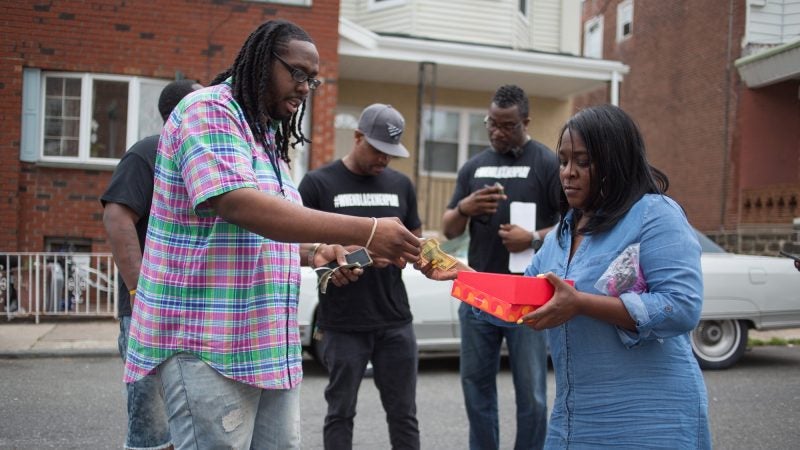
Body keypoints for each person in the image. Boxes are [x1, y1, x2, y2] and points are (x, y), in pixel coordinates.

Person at [122, 20, 421, 449]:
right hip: (208, 343)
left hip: (267, 346)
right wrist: (369, 230)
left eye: (312, 80)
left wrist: (317, 251)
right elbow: (237, 204)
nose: (304, 87)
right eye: (297, 72)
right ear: (262, 63)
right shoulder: (209, 110)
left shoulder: (267, 138)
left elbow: (264, 231)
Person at [423, 104, 711, 448]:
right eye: (563, 161)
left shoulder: (655, 215)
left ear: (615, 161)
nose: (568, 173)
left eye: (583, 162)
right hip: (576, 417)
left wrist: (580, 304)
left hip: (651, 417)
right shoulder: (565, 231)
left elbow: (680, 307)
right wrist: (464, 277)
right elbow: (523, 297)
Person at [440, 84, 560, 450]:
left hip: (529, 294)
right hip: (479, 291)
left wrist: (533, 238)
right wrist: (465, 208)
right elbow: (448, 228)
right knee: (476, 389)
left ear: (525, 121)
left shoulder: (546, 163)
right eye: (492, 123)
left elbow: (573, 225)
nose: (496, 132)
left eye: (507, 125)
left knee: (532, 394)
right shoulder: (473, 167)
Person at [298, 103, 422, 450]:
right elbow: (297, 247)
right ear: (357, 137)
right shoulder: (318, 183)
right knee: (340, 413)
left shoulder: (401, 185)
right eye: (379, 150)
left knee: (404, 414)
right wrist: (349, 254)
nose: (385, 160)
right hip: (341, 323)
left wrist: (400, 255)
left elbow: (413, 245)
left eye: (391, 153)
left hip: (395, 320)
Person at [101, 78, 202, 450]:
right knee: (152, 434)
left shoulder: (199, 160)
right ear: (179, 112)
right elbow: (117, 217)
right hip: (149, 313)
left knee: (187, 427)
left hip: (187, 314)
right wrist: (140, 295)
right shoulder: (150, 151)